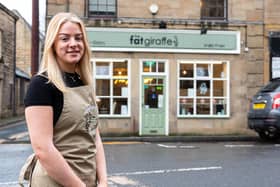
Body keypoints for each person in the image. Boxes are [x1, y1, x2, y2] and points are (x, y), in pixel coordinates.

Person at [20, 12, 108, 187]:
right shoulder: (42, 85)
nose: (73, 44)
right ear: (53, 43)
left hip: (86, 181)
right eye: (65, 38)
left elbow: (94, 137)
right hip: (54, 182)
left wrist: (103, 180)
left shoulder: (85, 82)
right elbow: (43, 149)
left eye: (78, 38)